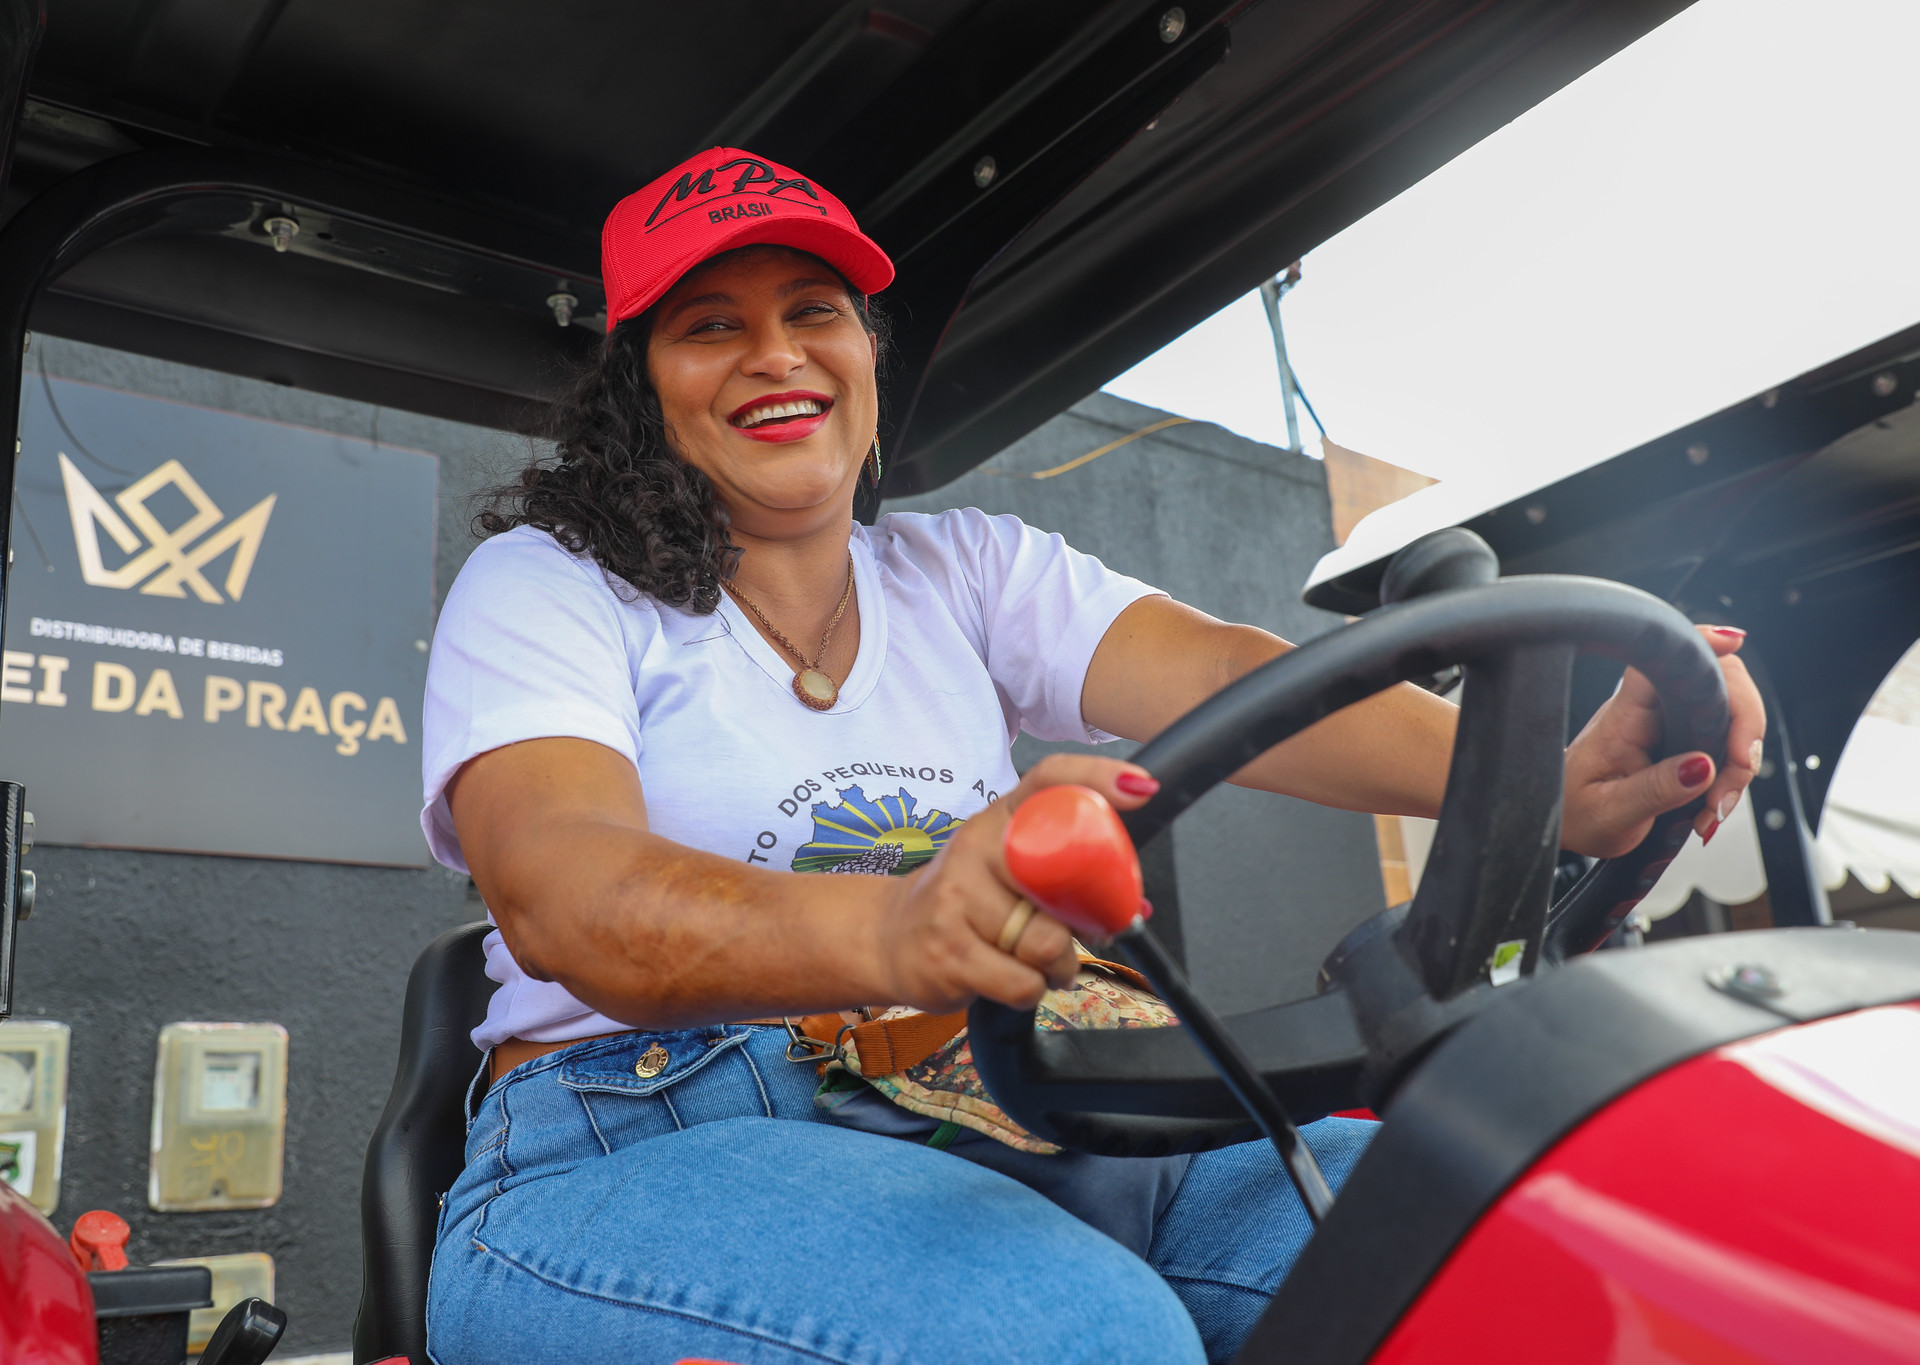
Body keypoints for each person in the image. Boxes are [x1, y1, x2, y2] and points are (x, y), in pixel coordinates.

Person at [420, 147, 1765, 1365]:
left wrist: (1557, 780)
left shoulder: (963, 571)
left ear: (870, 356)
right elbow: (565, 890)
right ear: (640, 388)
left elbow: (1240, 680)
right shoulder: (549, 585)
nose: (776, 354)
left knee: (1489, 1241)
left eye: (812, 312)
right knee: (1085, 1339)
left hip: (1002, 1096)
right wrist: (902, 925)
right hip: (640, 1129)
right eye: (712, 326)